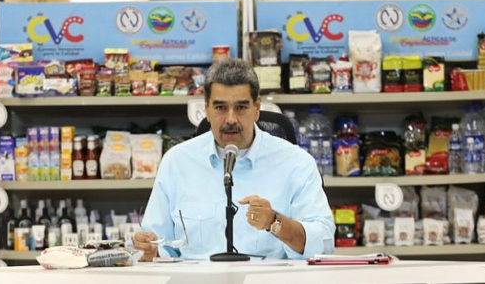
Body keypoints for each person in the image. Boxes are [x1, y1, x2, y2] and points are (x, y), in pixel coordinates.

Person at [134, 58, 335, 261]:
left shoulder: (296, 163)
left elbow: (324, 244)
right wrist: (149, 250)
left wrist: (276, 223)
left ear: (257, 108)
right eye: (220, 108)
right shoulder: (177, 162)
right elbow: (159, 246)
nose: (231, 119)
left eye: (241, 107)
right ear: (207, 109)